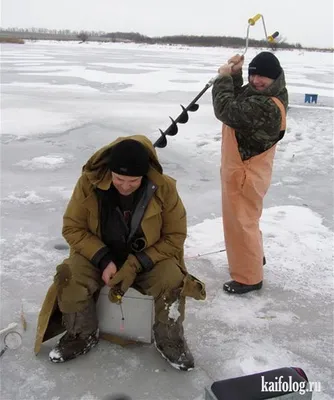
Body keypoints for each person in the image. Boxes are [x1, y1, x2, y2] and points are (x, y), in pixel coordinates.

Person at [34, 135, 206, 371]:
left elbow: (175, 236)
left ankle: (169, 339)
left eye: (133, 181)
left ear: (144, 175)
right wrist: (103, 259)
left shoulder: (165, 189)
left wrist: (136, 263)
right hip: (98, 256)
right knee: (68, 275)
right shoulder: (88, 184)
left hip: (148, 259)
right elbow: (72, 227)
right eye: (119, 179)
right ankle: (81, 334)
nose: (125, 186)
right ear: (109, 172)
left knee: (172, 279)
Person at [211, 51, 288, 294]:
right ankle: (253, 257)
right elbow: (239, 97)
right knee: (247, 220)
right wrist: (235, 75)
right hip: (248, 169)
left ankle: (249, 277)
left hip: (244, 173)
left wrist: (222, 79)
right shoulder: (266, 93)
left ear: (274, 78)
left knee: (240, 224)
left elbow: (227, 110)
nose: (255, 81)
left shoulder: (265, 106)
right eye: (253, 75)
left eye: (262, 77)